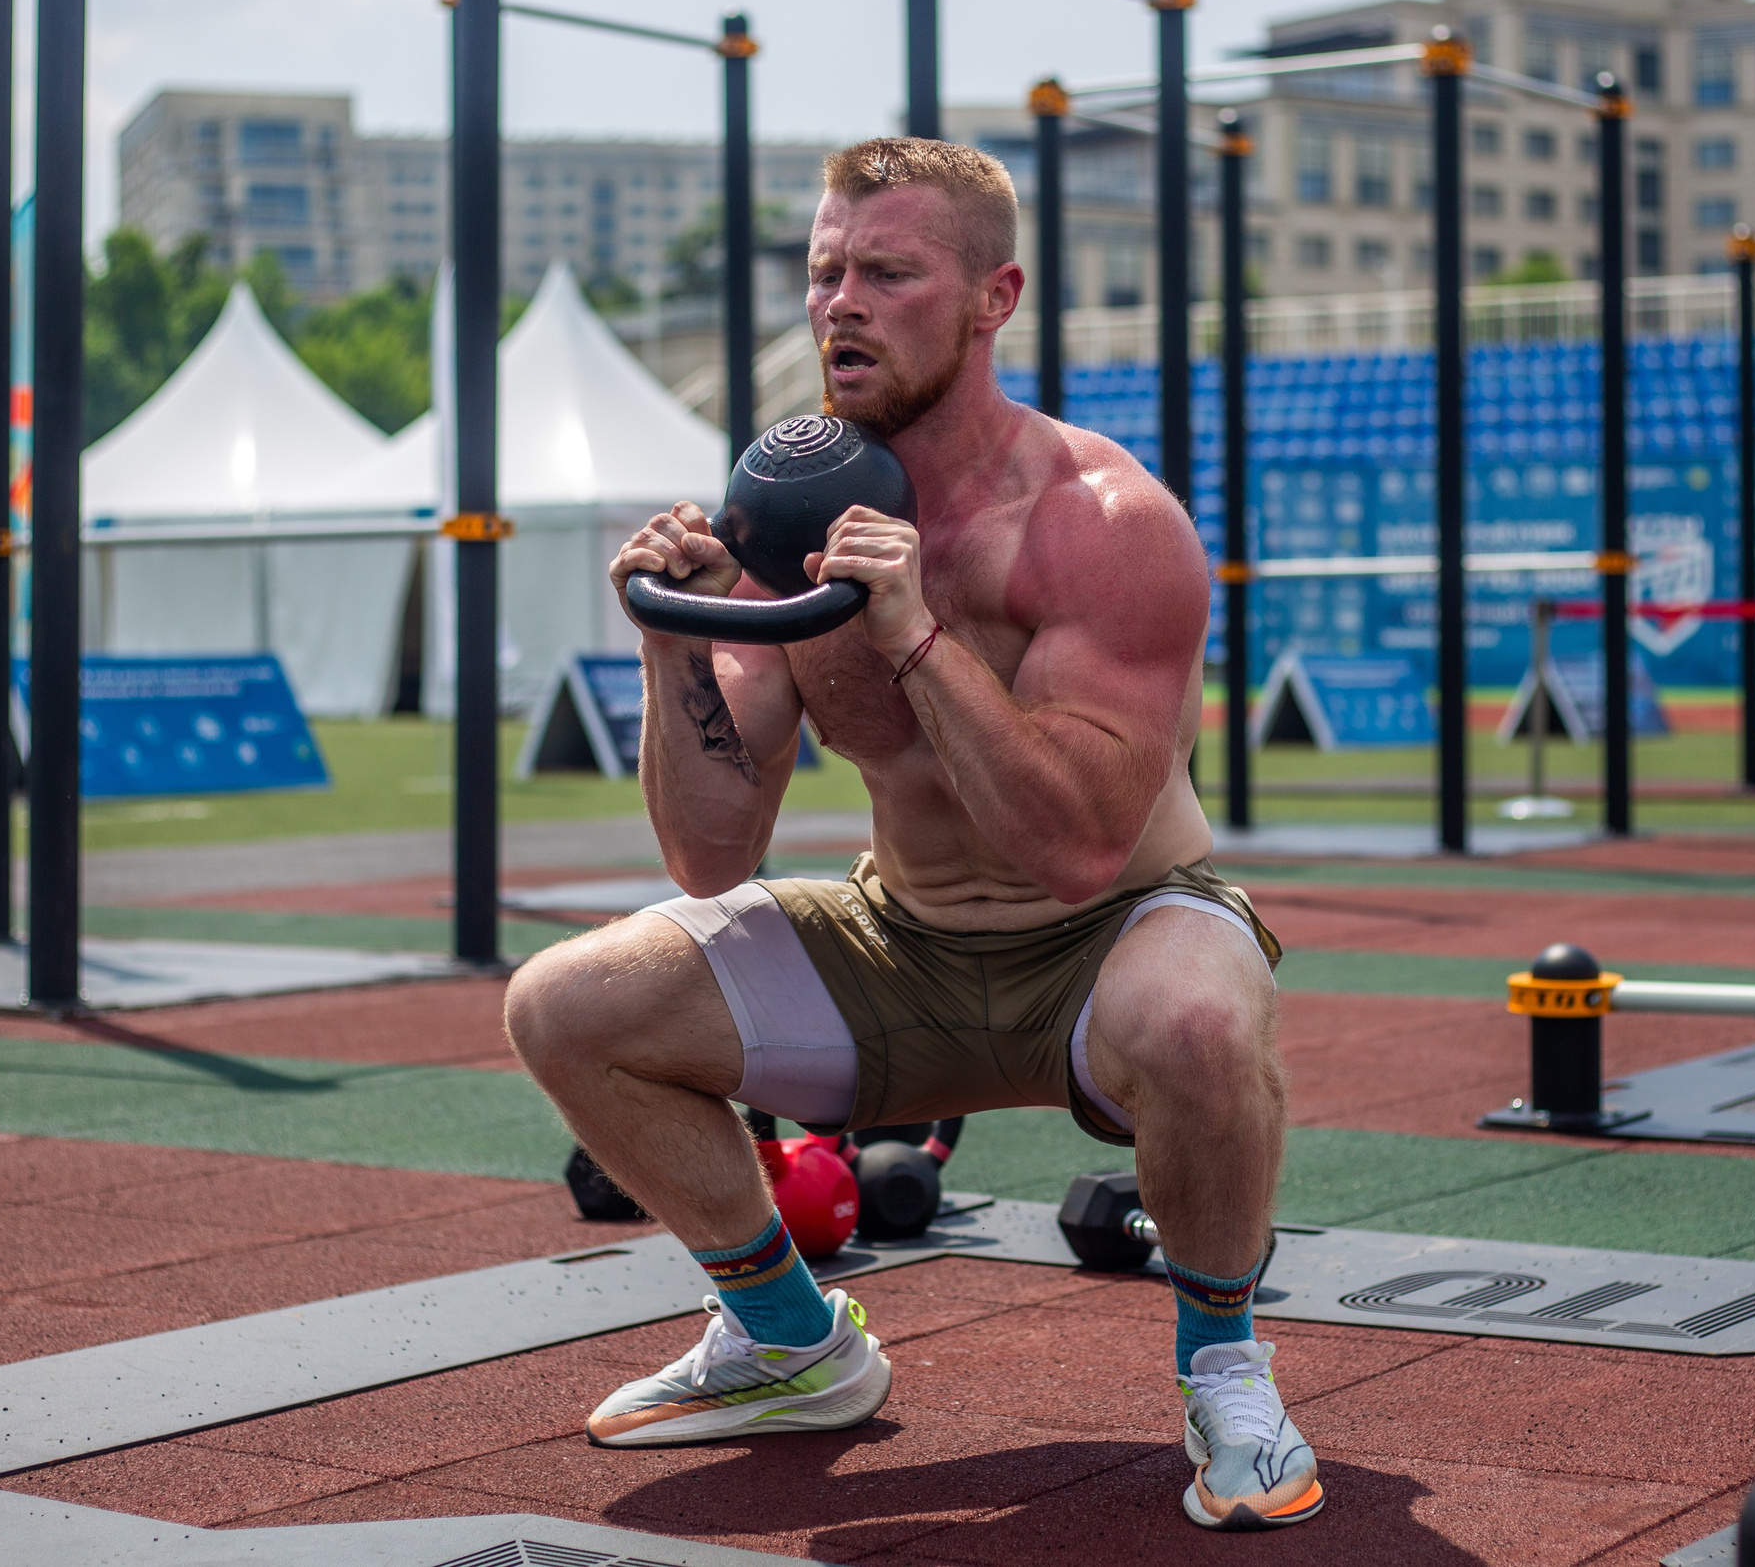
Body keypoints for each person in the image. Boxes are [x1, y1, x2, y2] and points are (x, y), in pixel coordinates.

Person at [503, 137, 1319, 1532]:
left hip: (1110, 942)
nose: (841, 304)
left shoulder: (1103, 522)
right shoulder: (794, 512)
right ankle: (786, 1338)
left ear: (994, 297)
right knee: (565, 1004)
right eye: (825, 272)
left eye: (888, 271)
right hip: (905, 946)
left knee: (1197, 1019)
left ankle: (1224, 1364)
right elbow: (711, 853)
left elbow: (1072, 850)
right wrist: (674, 645)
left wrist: (918, 634)